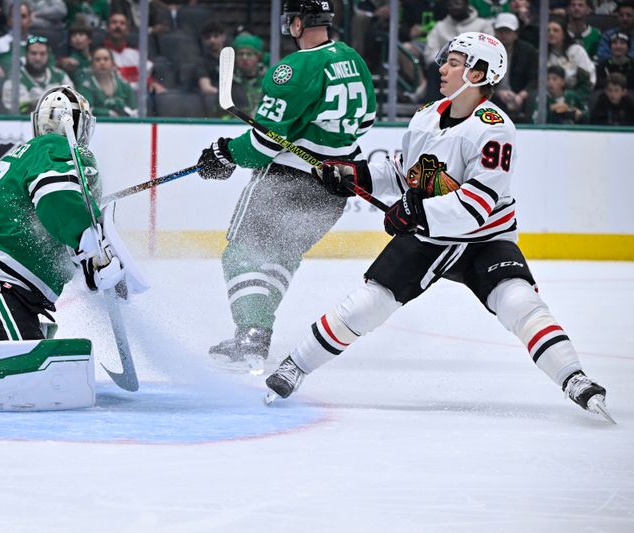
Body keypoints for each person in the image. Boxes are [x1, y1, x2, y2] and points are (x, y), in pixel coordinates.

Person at [263, 31, 612, 423]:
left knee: (519, 302)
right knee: (368, 303)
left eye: (453, 62)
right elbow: (403, 171)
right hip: (430, 237)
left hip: (484, 238)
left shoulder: (495, 129)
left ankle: (574, 378)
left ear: (479, 73)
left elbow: (477, 205)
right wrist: (353, 173)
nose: (441, 67)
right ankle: (296, 365)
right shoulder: (428, 114)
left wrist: (415, 212)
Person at [195, 0, 376, 374]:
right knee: (281, 257)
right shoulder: (352, 59)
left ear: (297, 23)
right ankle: (257, 331)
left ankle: (251, 335)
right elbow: (366, 119)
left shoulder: (292, 69)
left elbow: (262, 147)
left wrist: (225, 152)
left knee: (242, 253)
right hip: (333, 189)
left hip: (286, 181)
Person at [0, 86, 124, 341]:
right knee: (21, 366)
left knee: (34, 363)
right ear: (74, 123)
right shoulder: (57, 148)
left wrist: (91, 265)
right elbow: (56, 196)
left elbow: (52, 224)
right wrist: (90, 250)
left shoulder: (29, 153)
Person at [1, 35, 73, 114]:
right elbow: (23, 109)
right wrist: (57, 103)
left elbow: (71, 102)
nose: (37, 58)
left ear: (48, 55)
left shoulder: (60, 76)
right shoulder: (14, 79)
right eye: (33, 53)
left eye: (42, 54)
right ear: (26, 55)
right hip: (25, 124)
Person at [492, 12, 538, 122]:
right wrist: (498, 92)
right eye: (500, 31)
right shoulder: (488, 51)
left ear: (516, 33)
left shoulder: (528, 51)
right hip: (495, 96)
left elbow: (535, 79)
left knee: (534, 98)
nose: (503, 35)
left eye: (507, 31)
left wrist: (522, 95)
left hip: (520, 96)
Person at [75, 45, 135, 116]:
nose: (102, 62)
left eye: (106, 59)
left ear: (112, 63)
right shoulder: (86, 86)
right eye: (97, 60)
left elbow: (134, 110)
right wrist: (109, 113)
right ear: (92, 64)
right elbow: (85, 110)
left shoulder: (123, 84)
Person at [547, 17, 596, 99]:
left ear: (564, 34)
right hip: (548, 96)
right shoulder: (542, 54)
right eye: (548, 30)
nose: (551, 33)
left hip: (575, 94)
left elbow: (589, 79)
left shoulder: (576, 51)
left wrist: (574, 97)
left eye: (555, 30)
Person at [230, 33, 266, 115]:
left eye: (249, 54)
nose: (244, 58)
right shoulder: (229, 83)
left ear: (258, 57)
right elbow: (219, 113)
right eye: (241, 54)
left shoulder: (268, 80)